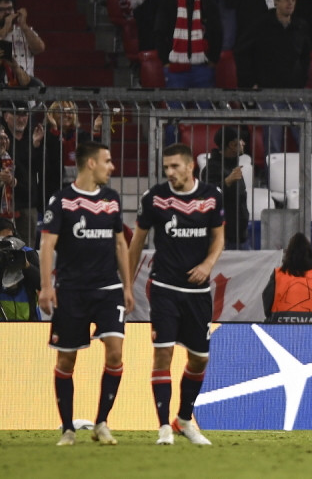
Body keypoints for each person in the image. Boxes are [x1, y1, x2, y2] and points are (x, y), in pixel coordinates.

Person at [37, 140, 133, 446]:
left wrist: (128, 287)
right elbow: (47, 245)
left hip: (108, 289)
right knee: (67, 361)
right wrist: (47, 287)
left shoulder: (112, 199)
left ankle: (102, 422)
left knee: (116, 352)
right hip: (71, 290)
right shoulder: (62, 200)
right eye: (107, 161)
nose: (112, 166)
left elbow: (120, 244)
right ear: (90, 163)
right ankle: (67, 428)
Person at [128, 143, 223, 445]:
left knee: (199, 360)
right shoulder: (154, 198)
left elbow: (219, 238)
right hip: (164, 288)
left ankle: (183, 419)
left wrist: (208, 264)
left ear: (190, 166)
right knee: (163, 353)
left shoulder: (212, 196)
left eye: (175, 166)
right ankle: (163, 428)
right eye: (166, 167)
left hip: (198, 292)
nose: (169, 172)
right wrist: (127, 285)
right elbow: (137, 243)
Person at [233, 0, 311, 152]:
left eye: (293, 0)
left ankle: (309, 176)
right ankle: (273, 177)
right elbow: (242, 53)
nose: (290, 3)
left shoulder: (301, 26)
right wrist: (249, 82)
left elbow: (305, 56)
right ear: (276, 1)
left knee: (307, 138)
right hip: (268, 91)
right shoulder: (260, 25)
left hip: (296, 92)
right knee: (273, 140)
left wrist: (302, 78)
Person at [154, 0, 223, 89]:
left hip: (203, 68)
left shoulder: (209, 3)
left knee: (204, 109)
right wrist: (165, 62)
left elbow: (217, 33)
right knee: (175, 109)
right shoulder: (168, 3)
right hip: (175, 68)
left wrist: (213, 60)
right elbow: (159, 33)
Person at [200, 126, 249, 249]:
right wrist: (227, 182)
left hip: (239, 235)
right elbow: (208, 197)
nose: (244, 143)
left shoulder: (234, 166)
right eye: (240, 140)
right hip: (223, 238)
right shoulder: (212, 168)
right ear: (232, 145)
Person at [262, 232, 312, 323]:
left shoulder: (278, 274)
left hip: (281, 327)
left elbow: (267, 306)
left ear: (288, 253)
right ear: (309, 254)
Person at [1, 101, 42, 245]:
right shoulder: (3, 138)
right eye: (17, 114)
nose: (22, 118)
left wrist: (36, 146)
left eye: (25, 114)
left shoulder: (33, 138)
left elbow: (40, 168)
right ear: (6, 116)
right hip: (4, 203)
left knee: (26, 249)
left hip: (27, 202)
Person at [0, 209, 40, 321]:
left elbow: (42, 284)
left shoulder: (27, 253)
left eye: (9, 238)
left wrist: (27, 266)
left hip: (29, 320)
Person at [0, 0, 45, 77]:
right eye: (1, 10)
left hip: (27, 84)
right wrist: (6, 27)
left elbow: (39, 49)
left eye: (9, 9)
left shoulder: (25, 31)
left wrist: (24, 26)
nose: (6, 12)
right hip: (4, 86)